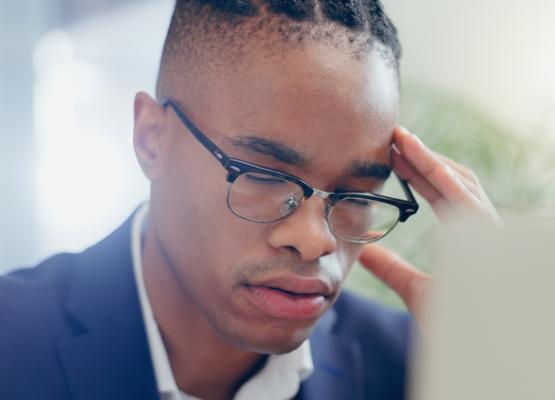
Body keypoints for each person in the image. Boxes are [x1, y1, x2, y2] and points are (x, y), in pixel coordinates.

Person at [0, 0, 498, 399]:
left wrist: (515, 361)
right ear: (152, 138)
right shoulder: (12, 344)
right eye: (263, 175)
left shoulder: (417, 370)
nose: (314, 242)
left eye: (355, 194)